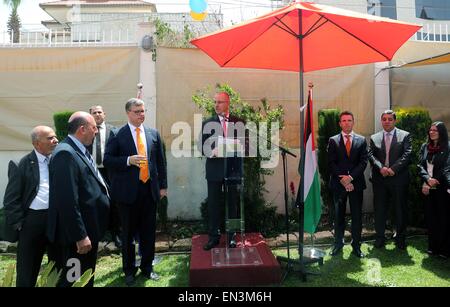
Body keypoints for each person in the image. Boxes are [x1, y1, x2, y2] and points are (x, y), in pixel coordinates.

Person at [103, 98, 167, 286]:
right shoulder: (117, 134)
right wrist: (128, 160)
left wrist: (163, 186)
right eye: (137, 111)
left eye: (143, 111)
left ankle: (147, 268)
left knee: (148, 233)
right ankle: (129, 270)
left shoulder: (152, 133)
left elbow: (161, 163)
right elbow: (107, 160)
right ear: (128, 113)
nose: (141, 114)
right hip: (127, 194)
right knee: (128, 234)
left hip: (149, 191)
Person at [47, 112, 110, 287]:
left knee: (85, 278)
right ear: (82, 129)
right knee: (74, 281)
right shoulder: (65, 154)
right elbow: (67, 200)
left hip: (88, 230)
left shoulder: (77, 150)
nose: (96, 131)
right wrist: (80, 235)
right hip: (74, 238)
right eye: (93, 128)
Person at [3, 126, 58, 287]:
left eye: (55, 137)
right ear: (36, 143)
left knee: (58, 265)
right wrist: (21, 224)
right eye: (50, 138)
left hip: (55, 220)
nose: (55, 141)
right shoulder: (22, 164)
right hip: (32, 222)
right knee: (28, 268)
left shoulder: (59, 160)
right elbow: (11, 199)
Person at [199, 91, 245, 251]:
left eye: (220, 102)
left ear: (228, 103)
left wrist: (236, 147)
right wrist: (213, 151)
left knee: (233, 204)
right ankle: (214, 237)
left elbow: (245, 146)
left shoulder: (238, 122)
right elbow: (201, 146)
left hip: (233, 171)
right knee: (213, 204)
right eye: (215, 102)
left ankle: (232, 236)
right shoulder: (207, 123)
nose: (216, 105)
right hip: (214, 170)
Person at [368, 110, 412, 250]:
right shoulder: (374, 137)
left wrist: (393, 169)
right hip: (380, 179)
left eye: (390, 119)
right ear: (381, 121)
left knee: (400, 209)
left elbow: (407, 154)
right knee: (380, 210)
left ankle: (400, 239)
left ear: (395, 121)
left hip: (398, 179)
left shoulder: (405, 135)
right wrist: (381, 168)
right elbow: (370, 155)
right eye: (384, 119)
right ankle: (380, 238)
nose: (387, 121)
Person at [327, 111, 368, 258]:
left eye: (349, 120)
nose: (346, 123)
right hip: (339, 185)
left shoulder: (362, 140)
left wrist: (350, 178)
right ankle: (338, 244)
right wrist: (343, 179)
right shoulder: (333, 140)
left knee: (357, 216)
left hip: (356, 184)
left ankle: (356, 245)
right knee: (339, 215)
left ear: (353, 122)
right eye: (343, 121)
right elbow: (331, 162)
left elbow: (363, 162)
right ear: (340, 123)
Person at [88, 105, 122, 249]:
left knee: (114, 202)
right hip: (92, 171)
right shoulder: (86, 131)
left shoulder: (114, 131)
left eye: (99, 112)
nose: (97, 114)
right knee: (96, 202)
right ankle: (99, 232)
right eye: (94, 113)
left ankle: (117, 233)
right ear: (90, 116)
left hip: (110, 171)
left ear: (104, 114)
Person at [418, 121, 450, 258]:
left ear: (441, 132)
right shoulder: (425, 146)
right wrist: (427, 180)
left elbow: (446, 167)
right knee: (431, 218)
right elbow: (420, 165)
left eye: (435, 130)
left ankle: (445, 250)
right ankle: (433, 247)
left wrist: (434, 180)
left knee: (444, 218)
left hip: (442, 188)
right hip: (428, 187)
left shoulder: (448, 147)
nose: (431, 132)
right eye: (430, 130)